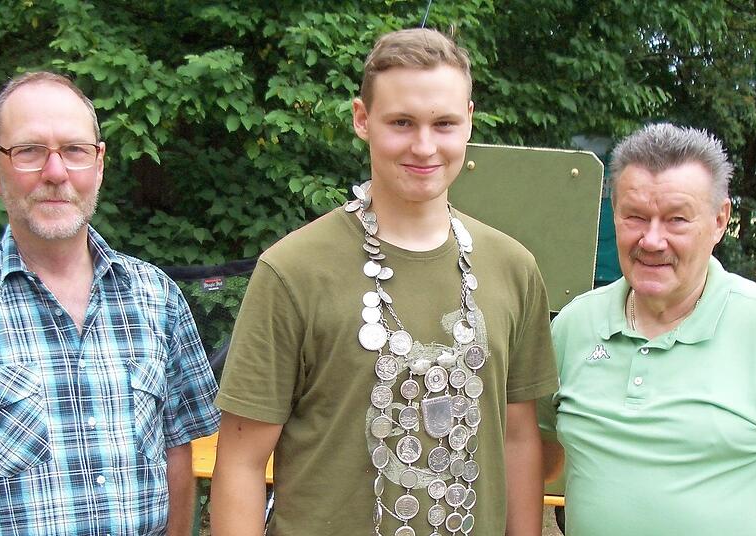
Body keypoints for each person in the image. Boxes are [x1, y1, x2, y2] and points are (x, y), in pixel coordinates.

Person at [211, 28, 558, 536]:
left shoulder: (513, 267)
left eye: (444, 123)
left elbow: (519, 438)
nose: (424, 146)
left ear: (468, 122)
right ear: (362, 119)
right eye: (401, 122)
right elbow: (241, 462)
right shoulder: (292, 272)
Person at [0, 71, 221, 535]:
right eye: (29, 151)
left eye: (74, 150)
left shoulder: (157, 298)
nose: (55, 172)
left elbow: (177, 447)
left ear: (99, 164)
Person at [539, 123, 756, 535]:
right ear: (614, 214)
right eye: (635, 217)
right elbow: (535, 453)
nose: (652, 240)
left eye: (676, 219)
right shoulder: (575, 326)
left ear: (719, 220)